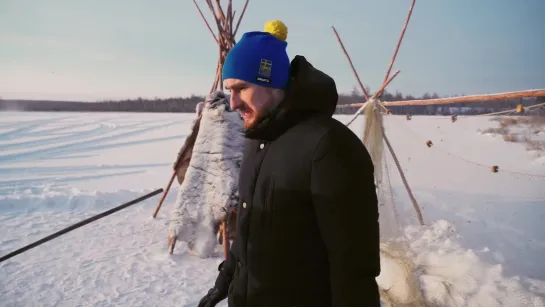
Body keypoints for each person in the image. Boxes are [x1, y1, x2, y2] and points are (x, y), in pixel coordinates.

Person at [198, 20, 380, 307]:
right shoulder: (255, 140)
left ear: (272, 83)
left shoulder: (329, 146)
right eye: (229, 90)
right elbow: (246, 232)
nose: (232, 103)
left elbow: (353, 267)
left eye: (242, 88)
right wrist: (224, 283)